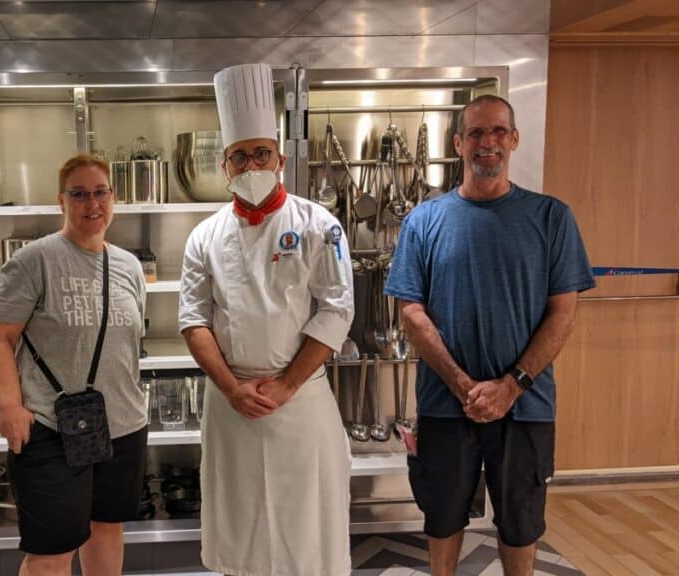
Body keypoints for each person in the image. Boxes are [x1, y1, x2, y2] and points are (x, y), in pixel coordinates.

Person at [384, 95, 595, 576]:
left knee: (521, 521)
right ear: (459, 144)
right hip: (445, 403)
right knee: (442, 516)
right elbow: (411, 313)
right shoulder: (424, 221)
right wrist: (463, 385)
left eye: (498, 131)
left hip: (526, 405)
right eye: (476, 133)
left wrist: (511, 385)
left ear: (514, 139)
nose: (488, 143)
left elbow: (563, 313)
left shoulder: (551, 218)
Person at [178, 63, 355, 576]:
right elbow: (194, 321)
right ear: (225, 165)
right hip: (230, 406)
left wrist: (285, 385)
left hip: (301, 402)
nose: (251, 163)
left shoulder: (319, 224)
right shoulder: (203, 237)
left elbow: (337, 309)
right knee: (241, 527)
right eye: (240, 156)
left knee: (307, 529)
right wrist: (234, 388)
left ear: (279, 157)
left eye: (260, 153)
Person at [0, 153, 148, 576]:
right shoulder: (33, 261)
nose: (92, 203)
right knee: (51, 553)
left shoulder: (129, 266)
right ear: (61, 201)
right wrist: (9, 408)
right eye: (79, 194)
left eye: (100, 192)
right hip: (50, 428)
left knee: (106, 528)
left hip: (122, 424)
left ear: (114, 198)